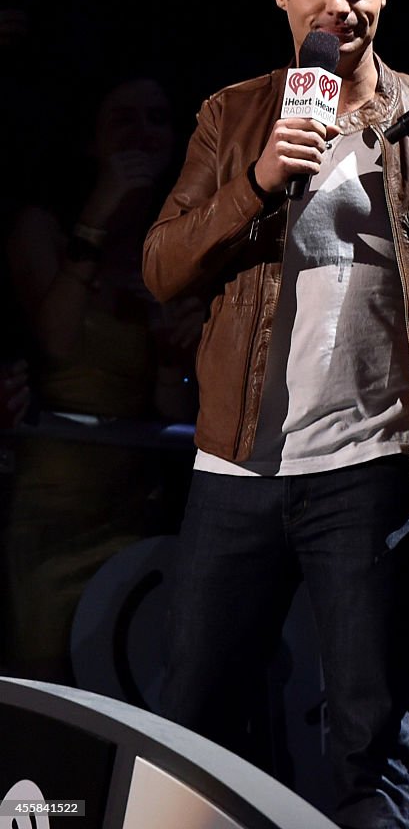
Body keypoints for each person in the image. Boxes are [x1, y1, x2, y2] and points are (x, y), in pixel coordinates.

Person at [141, 0, 409, 829]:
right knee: (190, 728)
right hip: (236, 465)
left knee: (369, 740)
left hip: (370, 471)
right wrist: (255, 182)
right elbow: (161, 269)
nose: (342, 7)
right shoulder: (235, 115)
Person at [2, 70, 201, 682]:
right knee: (47, 686)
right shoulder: (45, 226)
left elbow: (175, 406)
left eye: (157, 119)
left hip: (138, 509)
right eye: (123, 119)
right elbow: (57, 342)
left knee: (127, 678)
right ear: (91, 140)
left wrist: (173, 356)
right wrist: (99, 215)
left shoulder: (182, 235)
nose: (143, 134)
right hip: (54, 503)